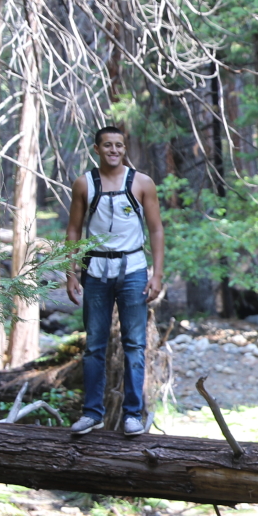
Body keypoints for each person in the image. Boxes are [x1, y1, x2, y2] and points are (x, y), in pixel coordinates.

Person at [64, 125, 165, 436]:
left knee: (135, 344)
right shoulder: (85, 184)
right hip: (95, 271)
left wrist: (157, 273)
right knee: (94, 346)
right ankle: (92, 413)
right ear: (97, 149)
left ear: (125, 149)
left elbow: (156, 229)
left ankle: (133, 415)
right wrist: (71, 272)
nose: (113, 150)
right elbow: (73, 230)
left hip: (133, 269)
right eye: (107, 145)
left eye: (119, 145)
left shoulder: (141, 183)